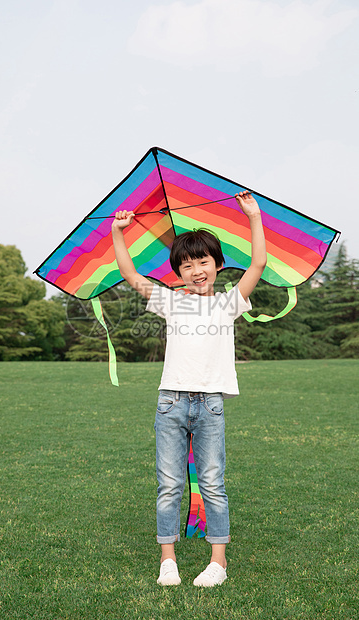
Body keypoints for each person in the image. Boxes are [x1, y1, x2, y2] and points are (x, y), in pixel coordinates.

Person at [111, 192, 267, 587]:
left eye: (203, 262)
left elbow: (259, 262)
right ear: (178, 272)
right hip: (171, 403)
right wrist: (117, 232)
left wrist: (253, 215)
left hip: (210, 404)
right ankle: (169, 560)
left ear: (217, 265)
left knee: (213, 482)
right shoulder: (170, 302)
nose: (196, 270)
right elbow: (131, 276)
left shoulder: (230, 303)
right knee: (169, 484)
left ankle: (219, 563)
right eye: (187, 265)